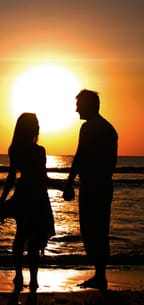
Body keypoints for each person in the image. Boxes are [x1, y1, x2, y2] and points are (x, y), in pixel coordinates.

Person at [63, 89, 118, 290]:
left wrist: (69, 182)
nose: (76, 109)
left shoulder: (89, 128)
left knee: (91, 230)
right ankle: (100, 274)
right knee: (100, 229)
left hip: (93, 186)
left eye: (79, 105)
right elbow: (112, 162)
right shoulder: (108, 128)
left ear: (88, 105)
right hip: (104, 185)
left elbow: (80, 156)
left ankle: (100, 276)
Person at [0, 113, 56, 292]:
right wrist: (62, 187)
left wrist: (3, 198)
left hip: (23, 192)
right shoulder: (39, 151)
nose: (38, 126)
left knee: (21, 234)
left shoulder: (15, 149)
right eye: (36, 123)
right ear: (31, 128)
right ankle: (34, 279)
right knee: (34, 239)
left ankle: (19, 275)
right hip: (37, 195)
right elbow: (43, 178)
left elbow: (11, 177)